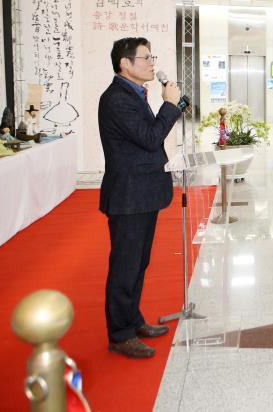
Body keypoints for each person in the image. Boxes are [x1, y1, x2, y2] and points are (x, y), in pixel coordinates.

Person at [99, 37, 183, 359]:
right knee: (125, 265)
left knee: (138, 263)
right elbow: (150, 138)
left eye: (152, 57)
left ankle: (132, 321)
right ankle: (120, 334)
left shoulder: (134, 93)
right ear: (125, 63)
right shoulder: (116, 99)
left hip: (143, 193)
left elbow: (145, 137)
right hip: (129, 195)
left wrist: (168, 106)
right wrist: (171, 106)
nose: (152, 64)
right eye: (146, 58)